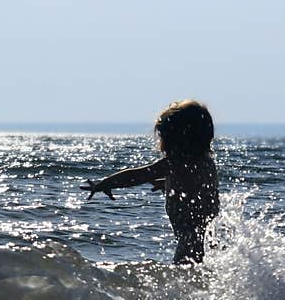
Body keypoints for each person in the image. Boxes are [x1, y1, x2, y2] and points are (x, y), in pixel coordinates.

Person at [81, 99, 220, 264]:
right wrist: (168, 183)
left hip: (189, 243)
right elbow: (196, 187)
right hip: (205, 239)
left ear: (176, 138)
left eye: (162, 136)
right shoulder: (205, 162)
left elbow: (138, 175)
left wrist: (105, 183)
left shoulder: (174, 163)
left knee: (183, 275)